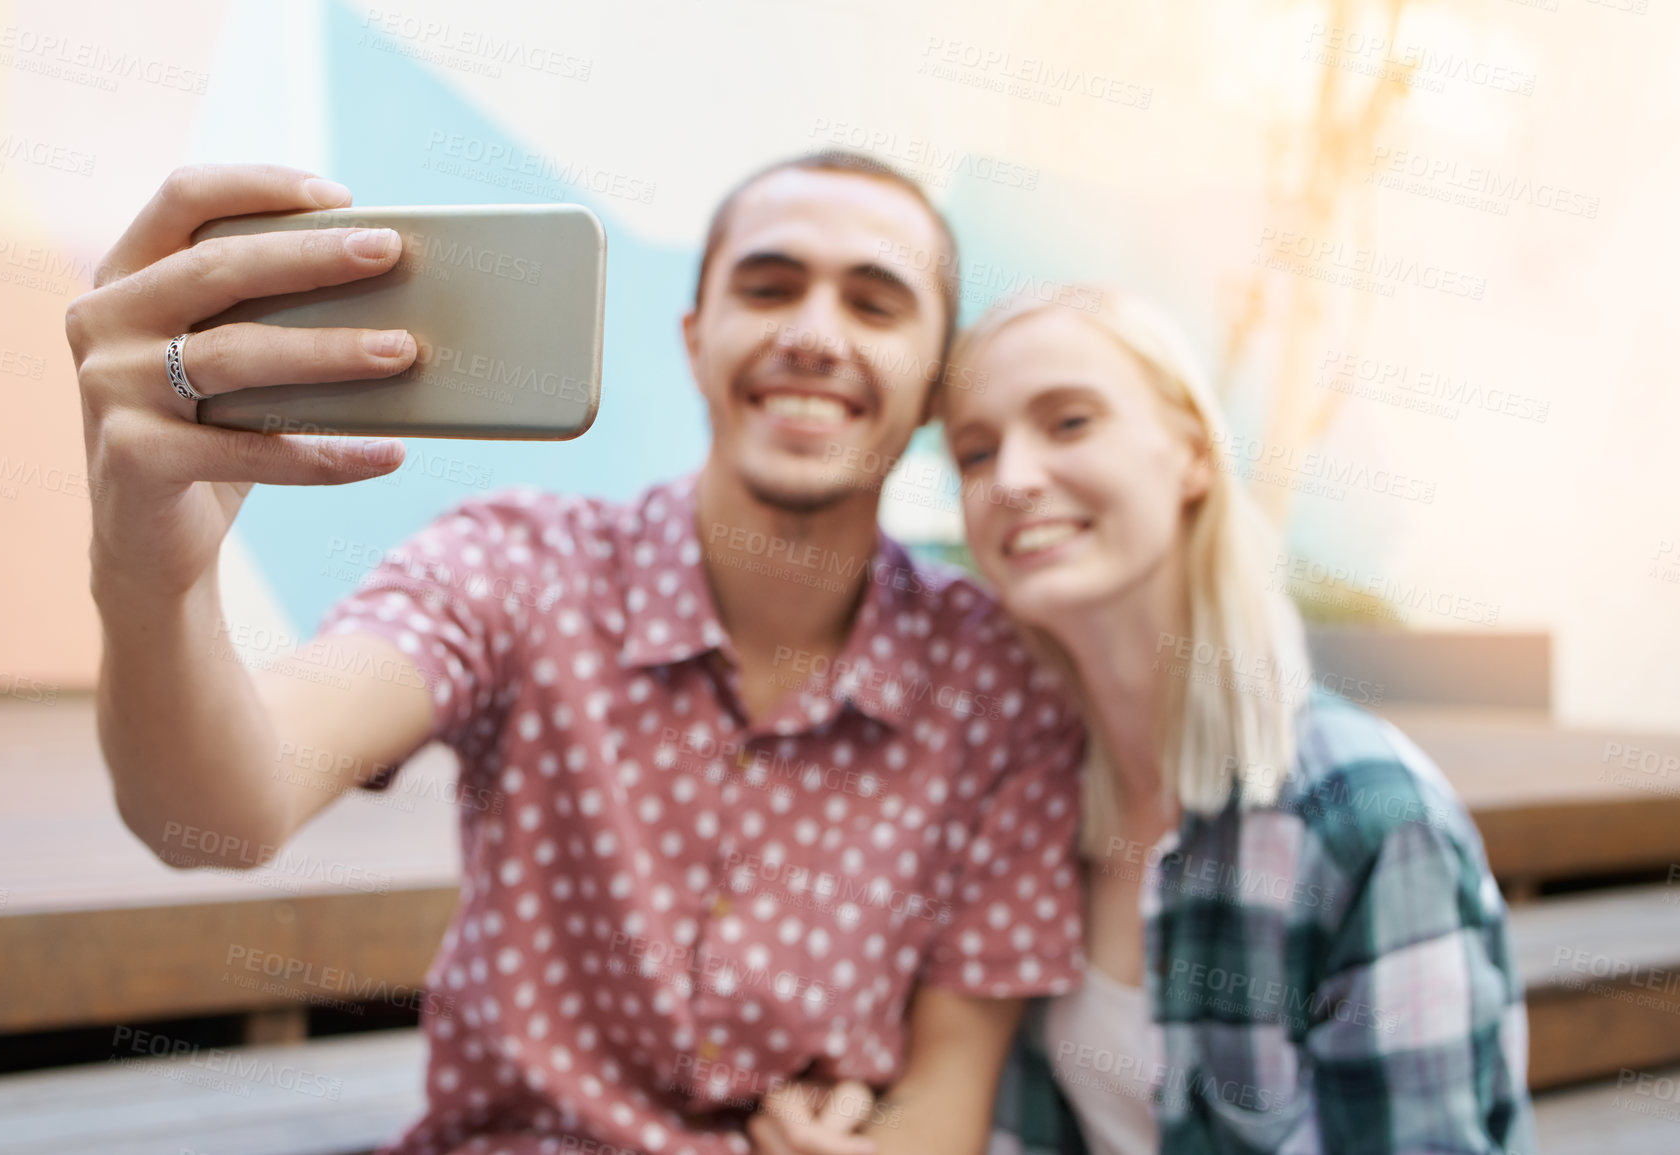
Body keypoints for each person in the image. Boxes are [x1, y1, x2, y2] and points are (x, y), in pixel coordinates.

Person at [65, 154, 1090, 1155]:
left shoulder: (998, 684)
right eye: (769, 287)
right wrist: (150, 577)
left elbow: (948, 1103)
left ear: (934, 382)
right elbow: (215, 816)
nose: (815, 335)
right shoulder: (519, 566)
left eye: (875, 305)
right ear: (697, 341)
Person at [758, 287, 1536, 1154]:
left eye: (1069, 422)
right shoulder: (1025, 794)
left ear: (1192, 454)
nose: (1012, 479)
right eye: (975, 453)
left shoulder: (1362, 818)